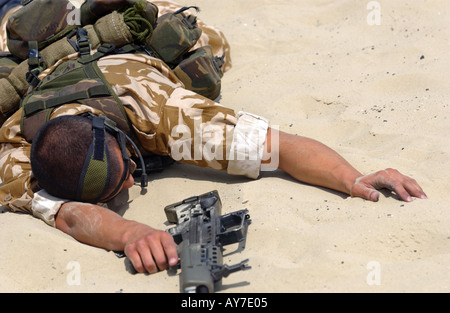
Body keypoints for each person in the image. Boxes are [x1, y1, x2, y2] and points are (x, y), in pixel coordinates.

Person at [0, 0, 427, 274]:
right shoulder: (16, 152)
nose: (131, 181)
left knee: (208, 41)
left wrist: (352, 180)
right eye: (117, 188)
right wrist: (131, 233)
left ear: (116, 133)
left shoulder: (162, 111)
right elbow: (67, 212)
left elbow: (280, 148)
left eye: (127, 166)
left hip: (111, 55)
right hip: (26, 42)